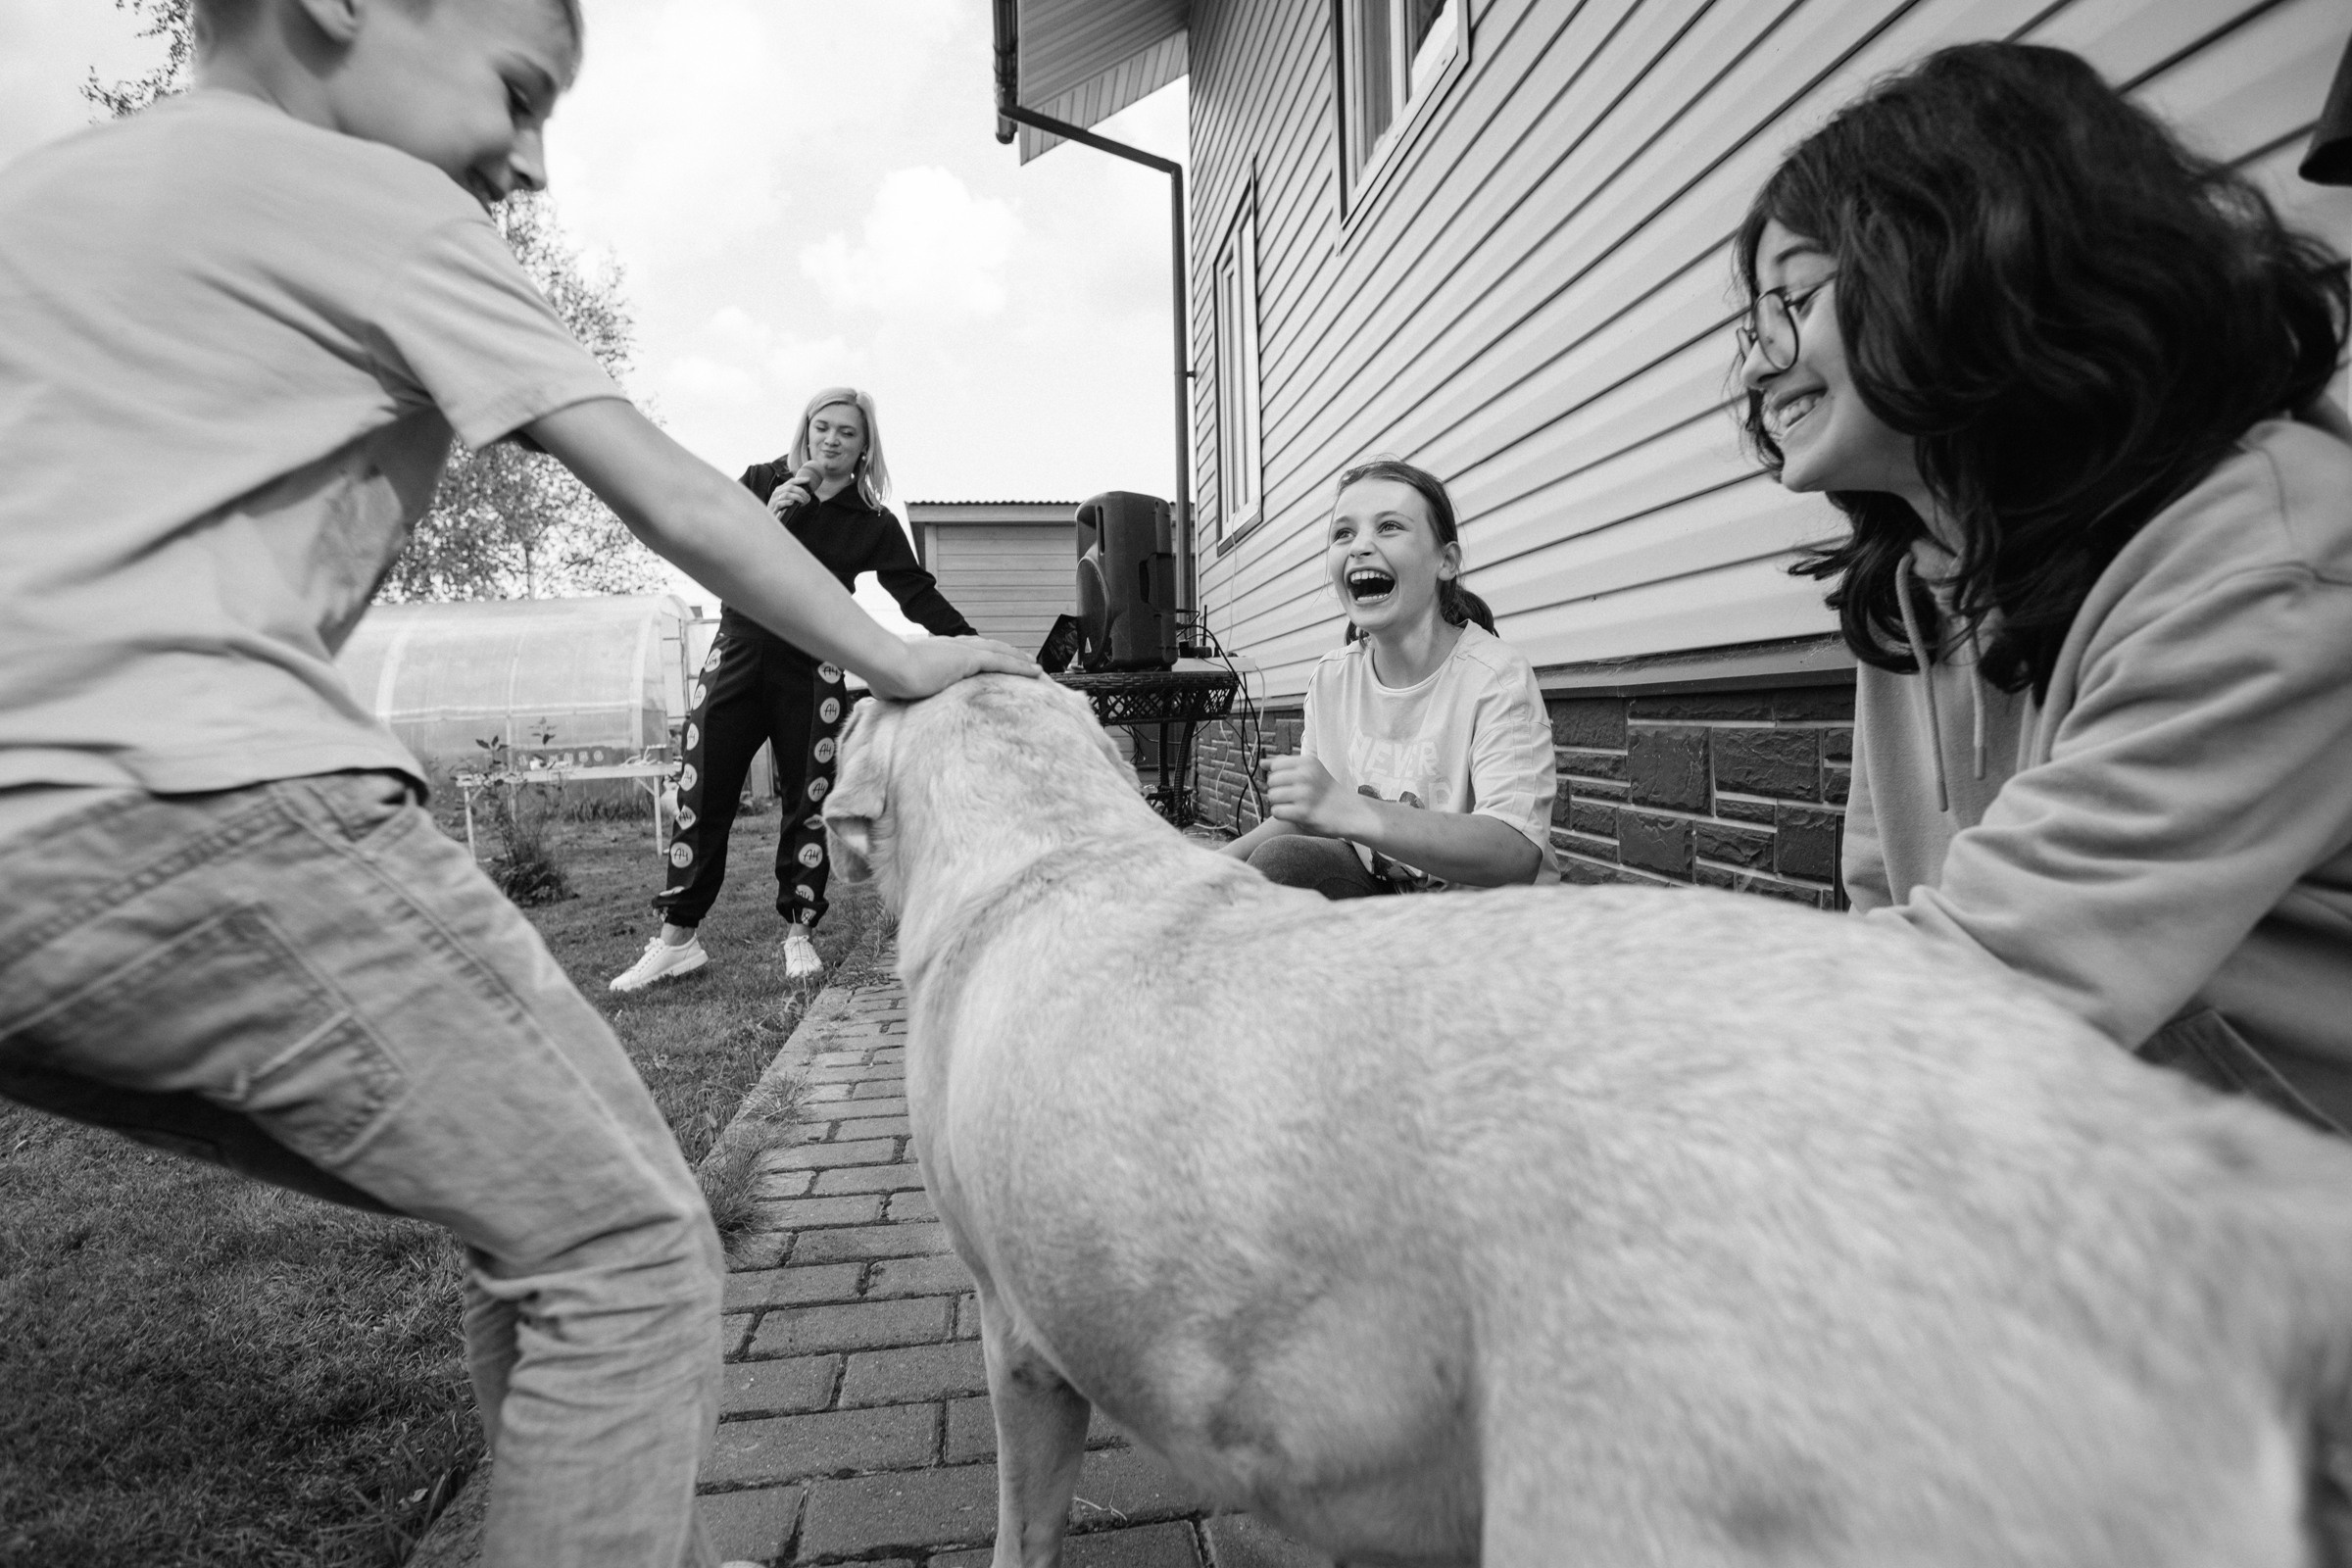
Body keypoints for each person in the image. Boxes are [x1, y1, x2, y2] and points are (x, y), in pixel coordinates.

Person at [0, 1, 1035, 1564]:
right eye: (520, 88)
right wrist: (903, 663)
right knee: (623, 1253)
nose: (534, 158)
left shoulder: (55, 195)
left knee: (530, 1204)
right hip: (199, 804)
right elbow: (675, 498)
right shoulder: (379, 201)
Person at [1733, 41, 2352, 1131]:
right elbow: (1884, 913)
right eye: (1753, 324)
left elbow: (1977, 993)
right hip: (2085, 1167)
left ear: (1969, 261)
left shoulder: (2277, 555)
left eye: (1793, 300)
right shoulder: (1918, 585)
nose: (1755, 364)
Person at [609, 388, 976, 992]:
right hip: (737, 652)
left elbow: (916, 593)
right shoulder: (762, 482)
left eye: (846, 433)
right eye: (821, 427)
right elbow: (711, 546)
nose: (831, 439)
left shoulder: (872, 522)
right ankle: (678, 940)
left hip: (812, 667)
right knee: (702, 793)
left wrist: (973, 644)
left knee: (808, 800)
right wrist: (767, 514)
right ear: (805, 431)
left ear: (864, 447)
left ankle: (799, 932)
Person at [1222, 460, 1556, 897]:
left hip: (1485, 919)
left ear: (1446, 561)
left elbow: (1514, 854)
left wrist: (1351, 810)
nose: (1360, 546)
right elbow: (1312, 817)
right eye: (1344, 533)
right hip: (1387, 901)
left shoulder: (1496, 677)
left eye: (1389, 527)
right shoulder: (1332, 679)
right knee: (1281, 861)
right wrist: (1210, 864)